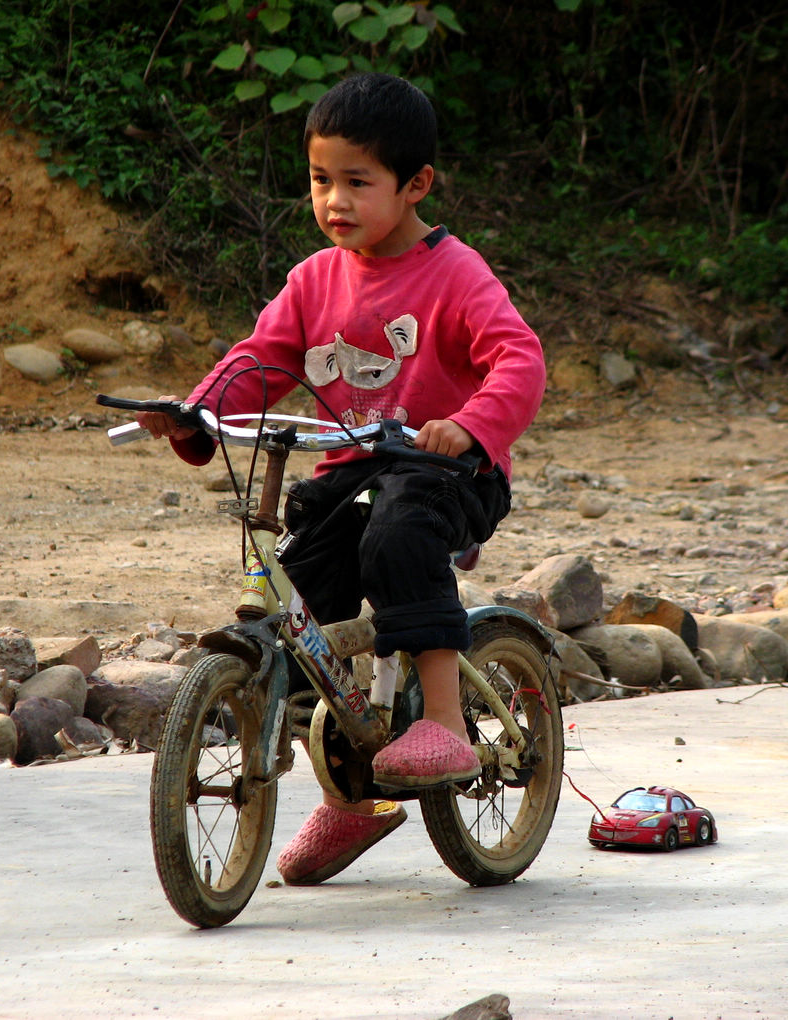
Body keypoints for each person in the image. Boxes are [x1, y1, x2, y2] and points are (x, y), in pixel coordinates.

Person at [135, 72, 546, 886]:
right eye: (322, 179)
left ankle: (440, 721)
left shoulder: (454, 274)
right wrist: (196, 413)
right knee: (305, 583)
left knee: (398, 534)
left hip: (447, 471)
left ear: (414, 184)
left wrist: (467, 423)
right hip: (355, 469)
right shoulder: (315, 279)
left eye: (358, 182)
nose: (335, 201)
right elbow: (259, 361)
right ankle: (352, 789)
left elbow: (519, 359)